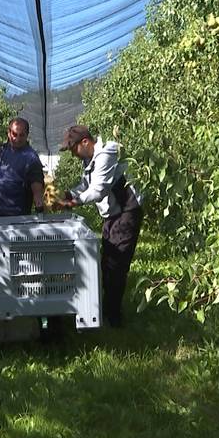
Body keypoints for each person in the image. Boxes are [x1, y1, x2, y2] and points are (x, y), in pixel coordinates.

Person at [55, 125, 144, 328]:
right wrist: (68, 194)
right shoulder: (89, 160)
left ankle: (113, 318)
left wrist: (72, 203)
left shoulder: (107, 152)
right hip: (111, 215)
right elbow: (86, 185)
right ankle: (109, 310)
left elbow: (99, 189)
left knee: (117, 264)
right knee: (106, 263)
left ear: (85, 142)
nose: (72, 153)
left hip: (126, 211)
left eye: (73, 148)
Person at [0, 117, 46, 216]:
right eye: (14, 134)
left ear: (27, 135)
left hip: (17, 218)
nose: (17, 139)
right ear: (9, 132)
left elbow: (37, 187)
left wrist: (39, 209)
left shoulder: (31, 158)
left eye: (21, 135)